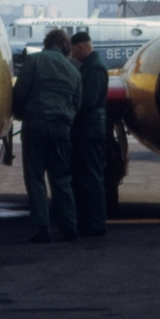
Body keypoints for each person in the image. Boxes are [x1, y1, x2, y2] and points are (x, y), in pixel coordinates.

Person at [12, 29, 81, 243]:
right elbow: (77, 103)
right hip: (61, 126)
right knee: (61, 177)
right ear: (65, 47)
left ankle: (43, 228)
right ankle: (69, 227)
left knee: (35, 176)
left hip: (36, 124)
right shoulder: (74, 71)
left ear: (47, 43)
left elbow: (20, 92)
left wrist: (21, 115)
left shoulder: (34, 61)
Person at [70, 31, 109, 237]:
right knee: (87, 176)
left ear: (81, 47)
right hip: (90, 128)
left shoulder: (94, 68)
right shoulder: (93, 65)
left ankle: (95, 223)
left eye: (74, 51)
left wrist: (69, 111)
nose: (73, 56)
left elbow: (88, 101)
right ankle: (90, 221)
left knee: (91, 177)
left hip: (89, 129)